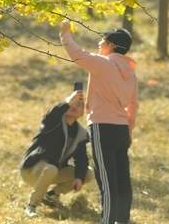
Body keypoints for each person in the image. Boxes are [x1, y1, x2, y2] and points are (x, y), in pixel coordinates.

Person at [59, 21, 139, 224]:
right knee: (122, 179)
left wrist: (65, 33)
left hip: (102, 128)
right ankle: (122, 219)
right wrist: (129, 130)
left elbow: (77, 54)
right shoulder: (131, 73)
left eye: (102, 40)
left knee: (106, 180)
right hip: (121, 130)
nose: (99, 43)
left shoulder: (103, 64)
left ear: (111, 44)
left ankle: (107, 220)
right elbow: (133, 105)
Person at [20, 89, 93, 217]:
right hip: (32, 170)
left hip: (53, 171)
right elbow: (53, 112)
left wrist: (79, 177)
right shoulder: (53, 121)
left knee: (88, 173)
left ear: (83, 113)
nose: (74, 106)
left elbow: (81, 159)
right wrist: (67, 101)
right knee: (51, 169)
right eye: (72, 103)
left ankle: (50, 196)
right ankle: (31, 206)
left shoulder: (81, 134)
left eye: (79, 105)